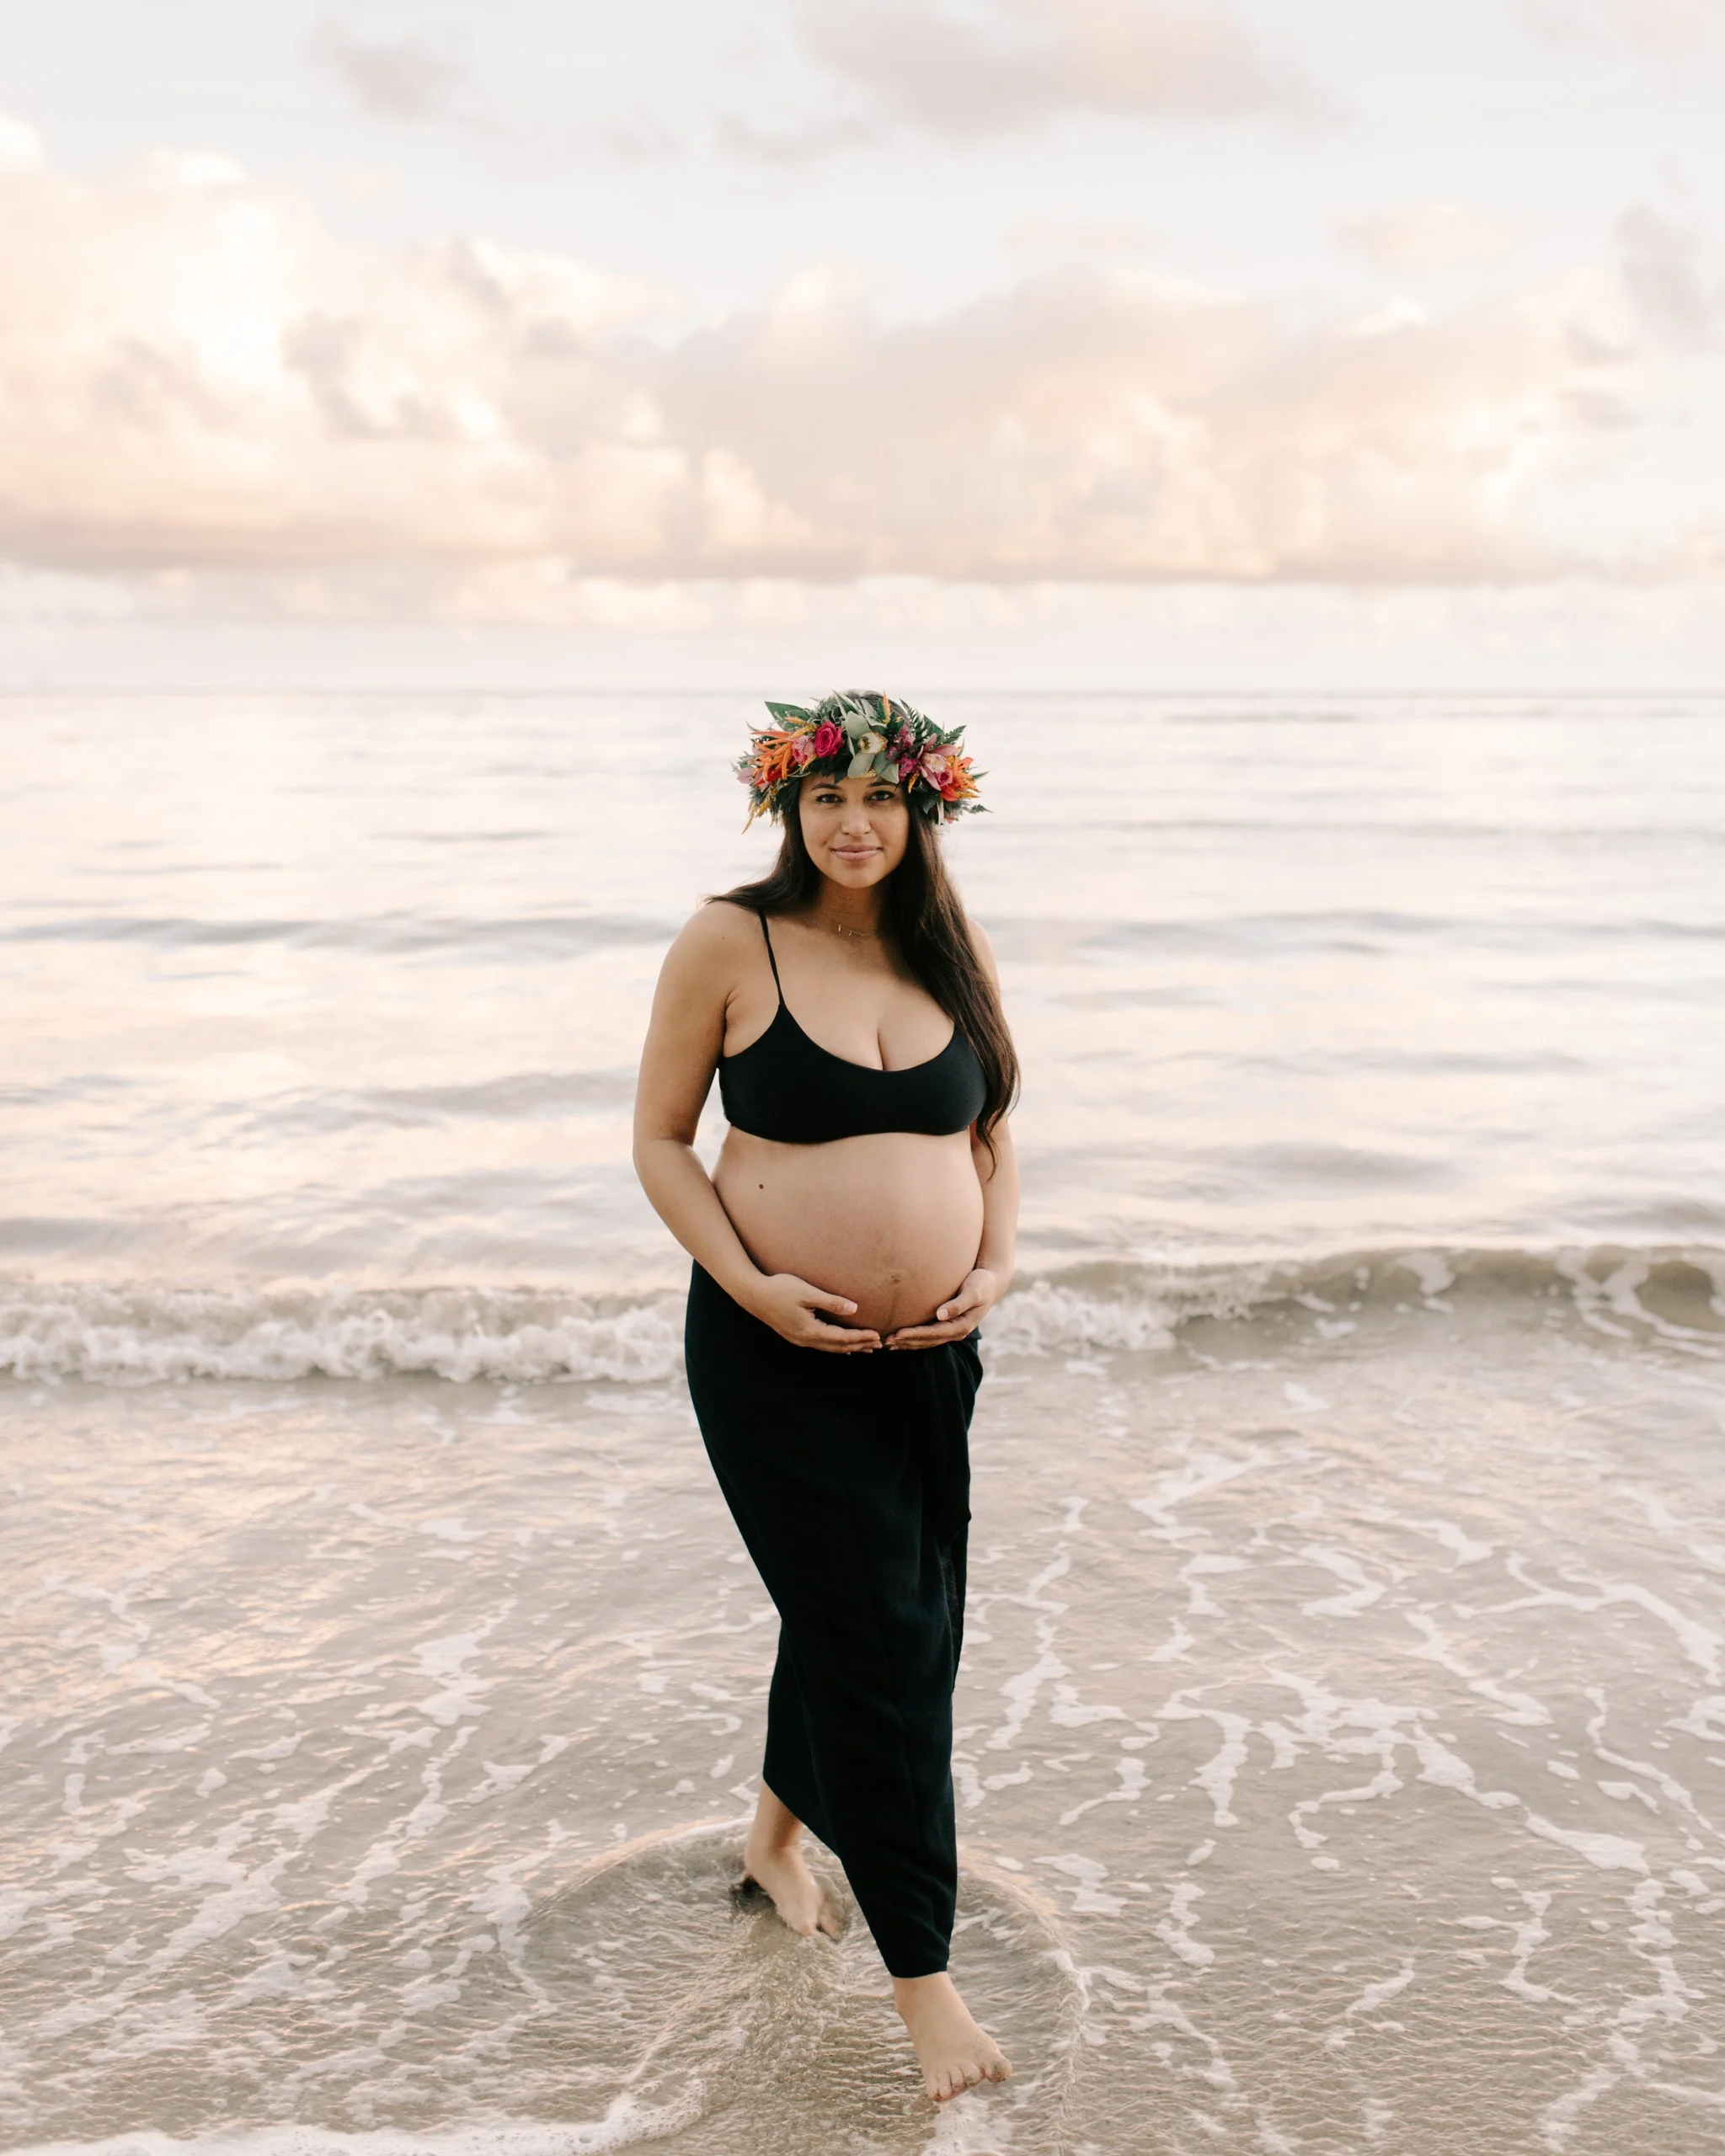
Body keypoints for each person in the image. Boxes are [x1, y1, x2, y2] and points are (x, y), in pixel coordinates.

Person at [633, 691, 1021, 2103]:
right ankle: (924, 1980)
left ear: (924, 811)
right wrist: (752, 1287)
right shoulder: (730, 941)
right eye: (824, 799)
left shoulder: (943, 948)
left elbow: (988, 1133)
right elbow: (663, 1142)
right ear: (786, 809)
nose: (853, 823)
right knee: (888, 1639)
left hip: (932, 1360)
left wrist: (995, 1263)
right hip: (771, 1355)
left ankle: (775, 1840)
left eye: (882, 799)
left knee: (879, 1609)